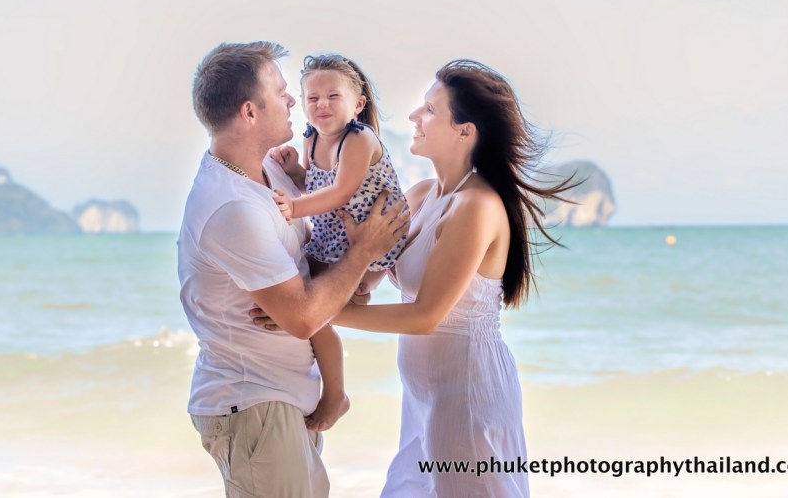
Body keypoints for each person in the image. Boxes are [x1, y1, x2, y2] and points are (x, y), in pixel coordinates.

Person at [253, 59, 574, 497]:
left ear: (465, 131)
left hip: (468, 394)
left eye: (430, 110)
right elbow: (372, 269)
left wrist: (312, 314)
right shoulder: (424, 195)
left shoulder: (476, 207)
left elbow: (425, 316)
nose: (413, 118)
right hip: (423, 396)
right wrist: (346, 269)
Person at [178, 41, 409, 498]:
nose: (293, 101)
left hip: (281, 404)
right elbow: (303, 317)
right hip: (255, 404)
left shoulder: (268, 170)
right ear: (249, 112)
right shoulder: (231, 206)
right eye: (282, 92)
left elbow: (310, 264)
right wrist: (363, 254)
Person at [268, 53, 408, 432]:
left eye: (333, 96)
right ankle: (292, 324)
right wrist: (292, 167)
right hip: (332, 241)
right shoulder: (312, 138)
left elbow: (340, 191)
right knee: (300, 296)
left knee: (319, 313)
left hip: (372, 241)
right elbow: (314, 182)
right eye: (313, 98)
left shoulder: (359, 139)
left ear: (357, 104)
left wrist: (294, 208)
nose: (322, 105)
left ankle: (336, 395)